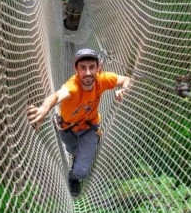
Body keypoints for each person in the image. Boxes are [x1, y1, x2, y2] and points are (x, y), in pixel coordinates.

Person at [27, 48, 130, 197]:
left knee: (82, 170)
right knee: (73, 150)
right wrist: (44, 108)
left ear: (98, 68)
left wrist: (124, 90)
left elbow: (126, 79)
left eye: (91, 67)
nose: (88, 73)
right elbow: (56, 97)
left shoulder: (102, 79)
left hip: (90, 127)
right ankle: (76, 151)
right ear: (76, 69)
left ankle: (74, 177)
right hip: (68, 129)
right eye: (83, 68)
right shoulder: (72, 87)